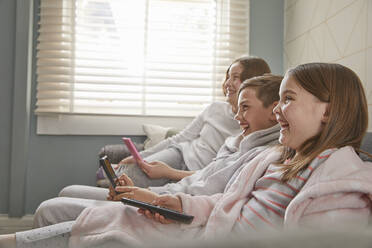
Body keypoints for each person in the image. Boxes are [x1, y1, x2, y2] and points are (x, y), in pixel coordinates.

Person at [2, 63, 372, 248]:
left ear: (328, 110)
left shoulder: (337, 182)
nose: (278, 110)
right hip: (196, 223)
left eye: (287, 100)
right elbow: (223, 202)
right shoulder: (277, 160)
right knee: (106, 216)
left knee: (105, 224)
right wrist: (167, 200)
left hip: (203, 238)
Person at [33, 74, 282, 227]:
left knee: (50, 209)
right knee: (68, 193)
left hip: (172, 201)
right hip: (169, 190)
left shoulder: (265, 154)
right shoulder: (238, 140)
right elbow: (200, 168)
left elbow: (212, 193)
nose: (238, 116)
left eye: (245, 108)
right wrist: (145, 184)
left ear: (274, 111)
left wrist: (153, 196)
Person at [59, 56, 271, 201]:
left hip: (191, 173)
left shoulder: (252, 129)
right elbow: (180, 138)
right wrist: (140, 156)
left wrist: (171, 173)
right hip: (179, 154)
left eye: (236, 77)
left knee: (130, 191)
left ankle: (96, 207)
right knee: (127, 176)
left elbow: (213, 174)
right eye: (228, 77)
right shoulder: (215, 109)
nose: (228, 83)